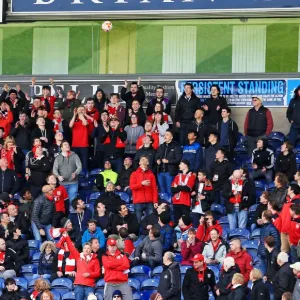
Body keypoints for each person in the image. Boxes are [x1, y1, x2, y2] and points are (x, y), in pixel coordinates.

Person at [63, 232, 101, 300]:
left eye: (88, 248)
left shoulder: (95, 259)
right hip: (79, 284)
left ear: (91, 250)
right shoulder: (78, 257)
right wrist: (67, 237)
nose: (86, 250)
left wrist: (89, 274)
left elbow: (98, 273)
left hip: (90, 285)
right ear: (83, 249)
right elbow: (71, 248)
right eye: (85, 248)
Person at [130, 156, 158, 223]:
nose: (143, 160)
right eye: (141, 159)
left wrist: (155, 201)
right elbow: (132, 187)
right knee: (138, 221)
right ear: (139, 162)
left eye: (145, 159)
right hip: (138, 201)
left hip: (149, 201)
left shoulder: (151, 175)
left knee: (151, 221)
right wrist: (141, 184)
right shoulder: (134, 174)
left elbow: (154, 189)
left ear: (147, 163)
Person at [156, 130, 182, 197]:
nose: (165, 136)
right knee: (162, 191)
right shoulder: (161, 146)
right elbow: (157, 155)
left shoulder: (176, 146)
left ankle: (170, 206)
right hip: (160, 172)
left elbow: (178, 160)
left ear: (171, 137)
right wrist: (157, 160)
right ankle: (163, 206)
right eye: (165, 135)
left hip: (170, 172)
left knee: (169, 191)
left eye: (167, 134)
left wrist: (168, 161)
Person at [279, 184, 300, 253]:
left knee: (294, 253)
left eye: (289, 188)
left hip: (292, 231)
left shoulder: (298, 201)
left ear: (292, 190)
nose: (287, 190)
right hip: (283, 229)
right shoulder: (286, 200)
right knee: (283, 252)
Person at [69, 105, 89, 171]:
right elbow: (70, 125)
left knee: (84, 164)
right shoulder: (74, 120)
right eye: (79, 110)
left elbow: (85, 124)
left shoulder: (87, 119)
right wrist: (75, 115)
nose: (80, 111)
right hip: (75, 145)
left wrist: (82, 116)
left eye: (82, 109)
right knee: (75, 164)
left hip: (84, 146)